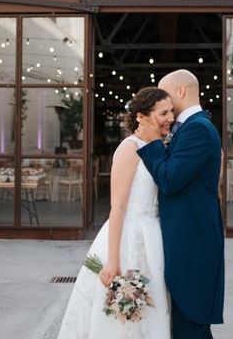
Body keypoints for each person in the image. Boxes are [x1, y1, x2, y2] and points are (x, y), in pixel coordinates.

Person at [57, 87, 174, 339]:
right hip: (128, 235)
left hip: (155, 234)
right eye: (163, 112)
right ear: (141, 116)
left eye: (172, 111)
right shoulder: (129, 148)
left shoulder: (161, 147)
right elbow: (118, 207)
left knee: (154, 305)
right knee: (124, 311)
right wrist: (112, 259)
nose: (171, 118)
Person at [137, 69, 225, 339]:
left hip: (193, 242)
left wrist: (152, 142)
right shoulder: (193, 127)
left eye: (165, 93)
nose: (163, 101)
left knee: (192, 323)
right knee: (188, 324)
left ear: (181, 92)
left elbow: (170, 179)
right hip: (186, 238)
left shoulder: (198, 128)